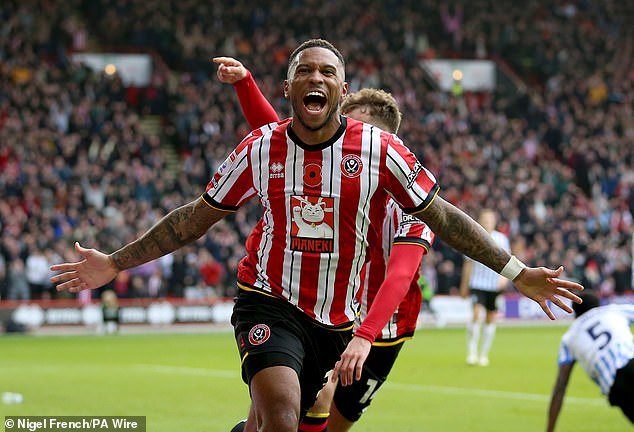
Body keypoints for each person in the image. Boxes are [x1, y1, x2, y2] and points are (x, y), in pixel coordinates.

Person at [51, 39, 583, 432]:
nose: (316, 78)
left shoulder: (380, 151)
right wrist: (117, 263)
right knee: (283, 418)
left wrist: (516, 273)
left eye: (328, 71)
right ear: (290, 88)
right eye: (305, 70)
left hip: (339, 318)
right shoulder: (259, 150)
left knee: (269, 427)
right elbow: (194, 218)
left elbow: (443, 217)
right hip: (269, 300)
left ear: (342, 89)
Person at [214, 55, 434, 431]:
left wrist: (365, 335)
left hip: (383, 325)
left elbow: (401, 273)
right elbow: (279, 138)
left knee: (334, 422)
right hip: (319, 304)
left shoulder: (403, 192)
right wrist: (246, 84)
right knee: (288, 410)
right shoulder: (316, 152)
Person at [546, 291, 634, 431]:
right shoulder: (611, 311)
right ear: (598, 305)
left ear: (575, 313)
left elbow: (560, 386)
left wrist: (550, 429)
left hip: (615, 388)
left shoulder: (569, 339)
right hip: (630, 364)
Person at [459, 208, 509, 366]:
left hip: (493, 285)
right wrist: (464, 285)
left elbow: (508, 262)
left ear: (494, 221)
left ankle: (483, 354)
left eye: (490, 219)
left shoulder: (501, 239)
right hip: (477, 283)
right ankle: (472, 353)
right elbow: (468, 263)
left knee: (490, 318)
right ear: (480, 221)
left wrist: (504, 279)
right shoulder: (473, 236)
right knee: (475, 314)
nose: (488, 222)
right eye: (485, 219)